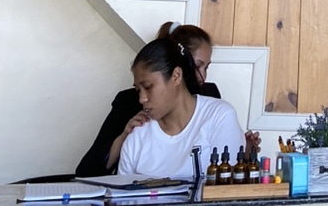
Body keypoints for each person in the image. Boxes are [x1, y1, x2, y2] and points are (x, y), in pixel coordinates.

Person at [76, 22, 220, 176]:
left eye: (206, 67)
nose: (202, 76)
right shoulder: (128, 102)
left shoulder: (210, 99)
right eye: (197, 66)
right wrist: (123, 137)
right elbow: (86, 172)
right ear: (177, 66)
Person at [118, 36, 244, 180]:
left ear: (176, 76)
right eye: (138, 90)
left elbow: (228, 188)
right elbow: (121, 191)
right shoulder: (138, 134)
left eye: (148, 87)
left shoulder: (219, 117)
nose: (142, 99)